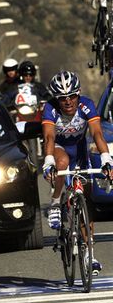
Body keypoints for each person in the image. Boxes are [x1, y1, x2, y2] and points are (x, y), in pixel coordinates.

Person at [42, 70, 113, 275]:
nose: (68, 102)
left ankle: (90, 254)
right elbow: (48, 138)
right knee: (62, 161)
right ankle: (55, 204)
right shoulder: (50, 109)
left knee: (86, 203)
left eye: (72, 96)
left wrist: (107, 159)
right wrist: (48, 161)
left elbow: (97, 133)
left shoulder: (86, 105)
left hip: (80, 152)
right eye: (62, 98)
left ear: (78, 93)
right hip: (59, 150)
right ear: (56, 99)